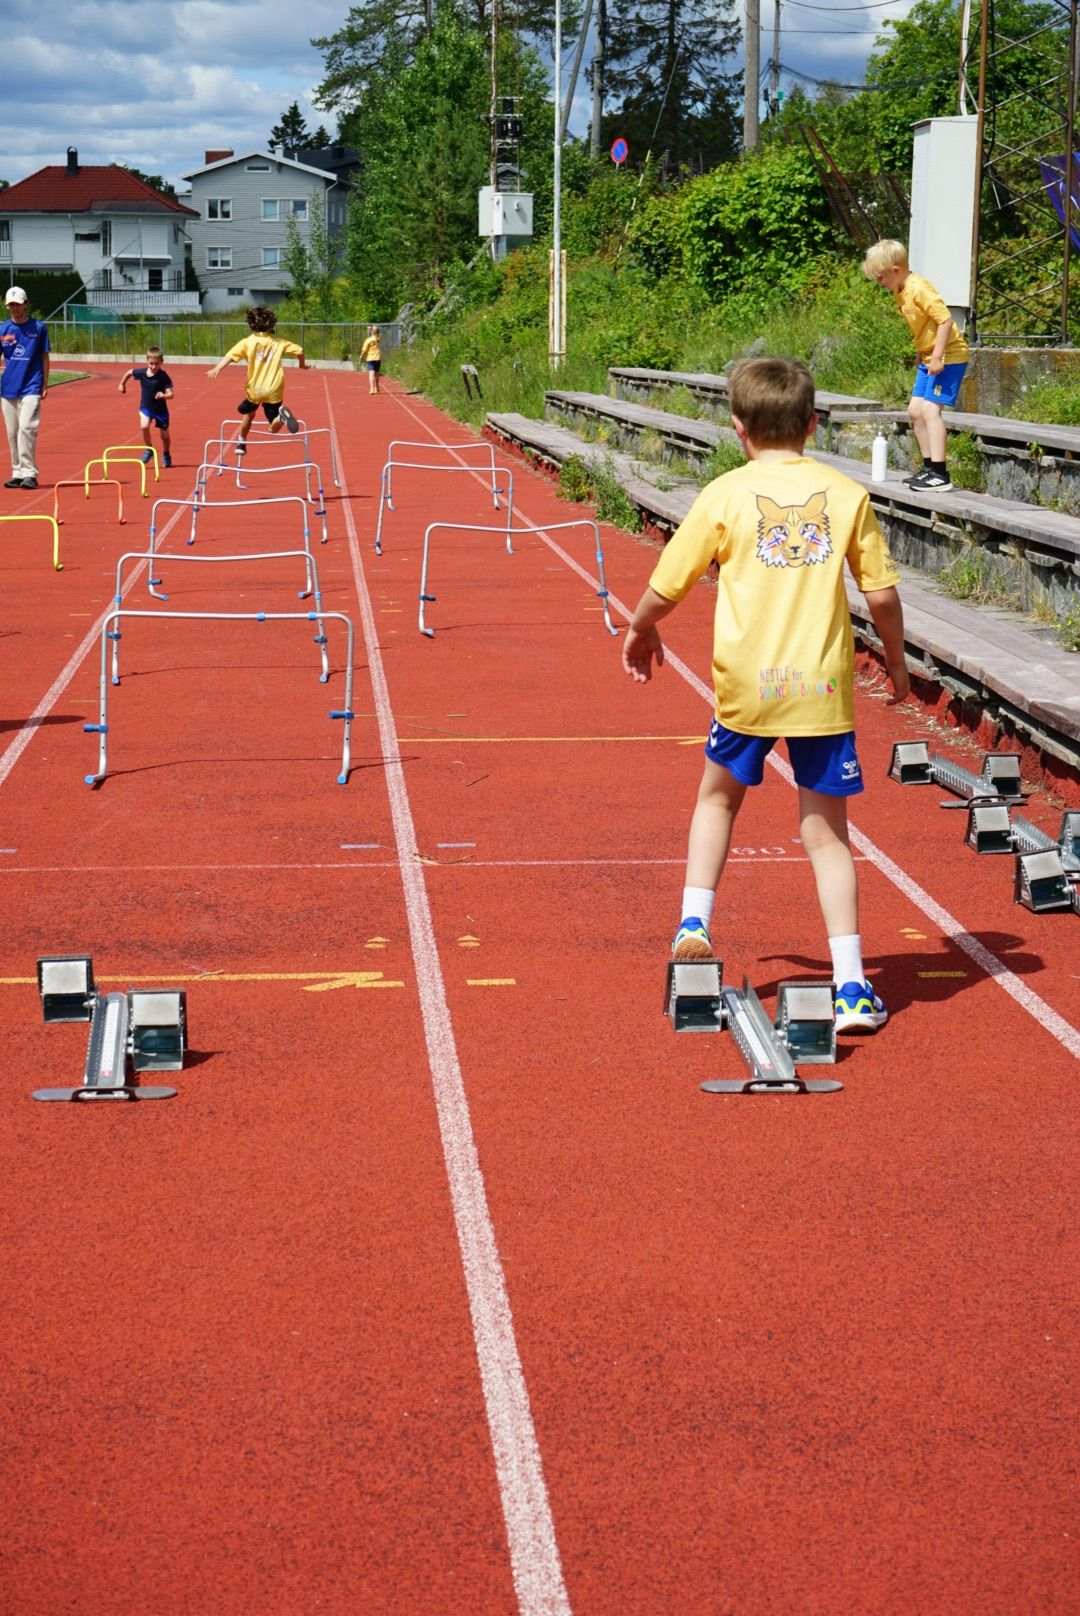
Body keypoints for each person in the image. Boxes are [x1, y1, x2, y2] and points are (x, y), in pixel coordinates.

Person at [622, 356, 910, 1034]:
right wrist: (895, 667)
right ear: (813, 424)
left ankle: (694, 921)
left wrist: (640, 629)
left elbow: (669, 585)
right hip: (820, 687)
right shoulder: (845, 495)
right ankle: (849, 987)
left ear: (737, 427)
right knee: (827, 836)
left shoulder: (724, 493)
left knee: (717, 798)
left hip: (748, 688)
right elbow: (883, 596)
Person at [863, 238, 969, 493]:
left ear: (895, 270)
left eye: (880, 277)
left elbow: (944, 322)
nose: (879, 283)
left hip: (948, 356)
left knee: (931, 411)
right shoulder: (900, 290)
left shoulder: (919, 288)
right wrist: (922, 354)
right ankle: (929, 468)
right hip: (929, 356)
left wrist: (936, 357)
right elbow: (924, 327)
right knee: (915, 410)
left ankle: (941, 475)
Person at [206, 305, 305, 453]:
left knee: (245, 411)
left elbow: (230, 356)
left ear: (250, 324)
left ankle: (241, 442)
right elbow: (300, 351)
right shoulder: (279, 342)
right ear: (271, 324)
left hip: (255, 390)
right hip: (274, 389)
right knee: (272, 427)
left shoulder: (247, 342)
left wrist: (218, 368)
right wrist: (302, 364)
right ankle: (281, 419)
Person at [1, 286, 50, 490]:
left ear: (26, 304)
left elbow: (44, 357)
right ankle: (17, 472)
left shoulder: (38, 328)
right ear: (7, 306)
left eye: (18, 304)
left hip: (31, 386)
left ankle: (29, 473)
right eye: (11, 305)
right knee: (12, 432)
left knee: (27, 429)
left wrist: (44, 384)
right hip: (8, 388)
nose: (15, 308)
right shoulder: (2, 329)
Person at [119, 346, 174, 468]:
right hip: (146, 407)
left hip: (161, 411)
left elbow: (171, 395)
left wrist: (163, 395)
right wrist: (122, 384)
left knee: (164, 437)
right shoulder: (142, 373)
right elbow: (129, 372)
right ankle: (149, 449)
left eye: (157, 364)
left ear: (162, 362)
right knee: (144, 426)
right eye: (151, 364)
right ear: (147, 361)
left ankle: (166, 454)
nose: (154, 367)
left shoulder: (163, 376)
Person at [360, 324, 381, 394]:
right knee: (377, 374)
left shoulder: (368, 340)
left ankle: (372, 389)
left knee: (371, 374)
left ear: (372, 331)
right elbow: (375, 333)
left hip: (370, 358)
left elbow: (364, 351)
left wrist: (361, 357)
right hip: (378, 358)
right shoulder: (379, 338)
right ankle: (377, 388)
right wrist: (371, 329)